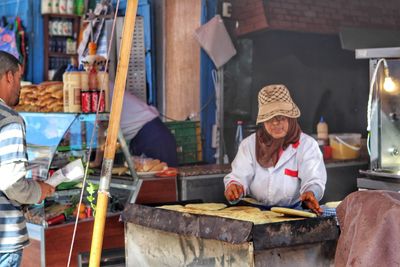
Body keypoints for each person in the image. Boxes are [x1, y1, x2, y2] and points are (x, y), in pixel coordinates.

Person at [224, 84, 326, 214]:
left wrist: (310, 193)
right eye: (269, 119)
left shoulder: (307, 146)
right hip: (256, 214)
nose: (275, 124)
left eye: (281, 118)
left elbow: (314, 178)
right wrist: (234, 187)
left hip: (293, 214)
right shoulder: (249, 145)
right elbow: (239, 176)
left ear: (291, 118)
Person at [0, 51, 55, 266]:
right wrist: (41, 190)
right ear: (9, 77)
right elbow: (13, 184)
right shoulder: (10, 119)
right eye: (20, 78)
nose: (20, 87)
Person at [91, 84, 178, 168]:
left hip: (153, 136)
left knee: (163, 179)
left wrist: (97, 161)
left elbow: (103, 127)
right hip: (141, 137)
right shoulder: (96, 86)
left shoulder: (99, 87)